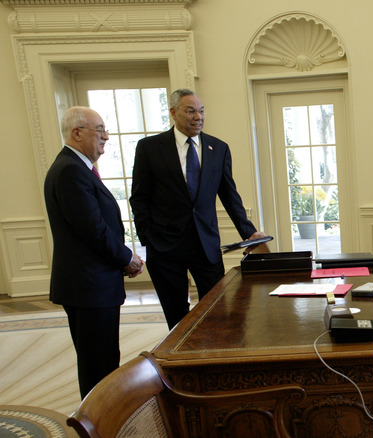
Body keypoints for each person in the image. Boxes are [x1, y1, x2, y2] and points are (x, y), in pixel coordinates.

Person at [130, 89, 265, 329]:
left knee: (216, 309)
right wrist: (148, 238)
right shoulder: (149, 148)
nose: (198, 117)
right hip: (164, 247)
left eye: (201, 111)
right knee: (176, 315)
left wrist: (249, 232)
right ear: (173, 113)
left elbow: (230, 196)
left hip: (205, 245)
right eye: (190, 110)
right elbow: (139, 198)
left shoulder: (218, 148)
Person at [44, 106, 145, 398]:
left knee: (101, 357)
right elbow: (93, 230)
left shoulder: (75, 168)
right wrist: (127, 258)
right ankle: (98, 421)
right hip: (87, 285)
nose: (107, 137)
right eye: (100, 130)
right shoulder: (70, 172)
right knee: (97, 362)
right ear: (77, 133)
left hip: (91, 284)